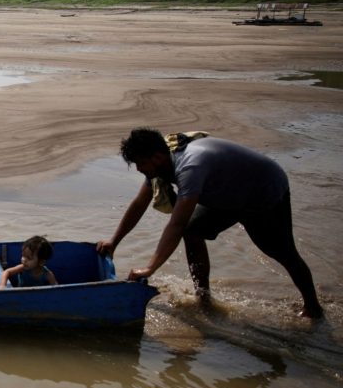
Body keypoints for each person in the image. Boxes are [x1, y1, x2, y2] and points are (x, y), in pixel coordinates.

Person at [97, 127, 323, 319]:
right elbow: (139, 204)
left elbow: (175, 224)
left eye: (140, 163)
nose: (139, 169)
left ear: (156, 158)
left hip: (262, 193)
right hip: (226, 194)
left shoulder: (190, 167)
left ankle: (313, 308)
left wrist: (150, 268)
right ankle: (203, 297)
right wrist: (114, 242)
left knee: (282, 252)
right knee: (192, 231)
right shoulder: (162, 163)